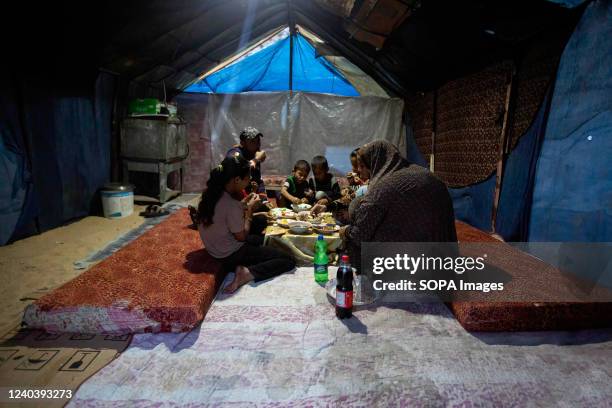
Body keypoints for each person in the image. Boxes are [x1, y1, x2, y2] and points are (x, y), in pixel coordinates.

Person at [317, 140, 457, 270]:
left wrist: (346, 231)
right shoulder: (417, 173)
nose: (358, 171)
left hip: (412, 262)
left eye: (362, 166)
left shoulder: (385, 186)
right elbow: (356, 196)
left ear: (375, 163)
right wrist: (331, 205)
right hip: (443, 256)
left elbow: (359, 234)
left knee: (355, 238)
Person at [195, 155, 295, 293]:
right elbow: (241, 237)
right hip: (230, 255)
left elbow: (224, 215)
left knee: (261, 227)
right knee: (288, 259)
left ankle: (261, 249)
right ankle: (247, 273)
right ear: (236, 180)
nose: (249, 182)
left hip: (215, 249)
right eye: (247, 179)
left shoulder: (211, 194)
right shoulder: (231, 203)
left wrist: (245, 204)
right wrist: (249, 211)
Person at [226, 127, 267, 194]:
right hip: (234, 197)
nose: (257, 144)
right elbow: (236, 167)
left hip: (249, 195)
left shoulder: (254, 154)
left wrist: (264, 199)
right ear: (243, 143)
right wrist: (255, 160)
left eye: (258, 140)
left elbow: (258, 180)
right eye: (252, 141)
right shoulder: (235, 152)